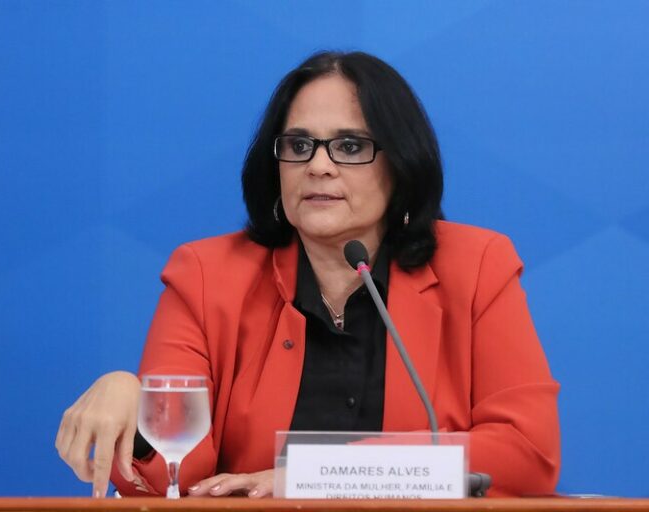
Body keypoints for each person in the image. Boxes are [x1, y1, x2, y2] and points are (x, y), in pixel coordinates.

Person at [55, 51, 560, 499]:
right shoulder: (206, 276)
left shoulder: (475, 267)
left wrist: (314, 474)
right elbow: (180, 476)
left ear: (401, 165)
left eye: (350, 146)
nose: (318, 165)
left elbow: (526, 451)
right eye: (298, 146)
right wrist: (135, 405)